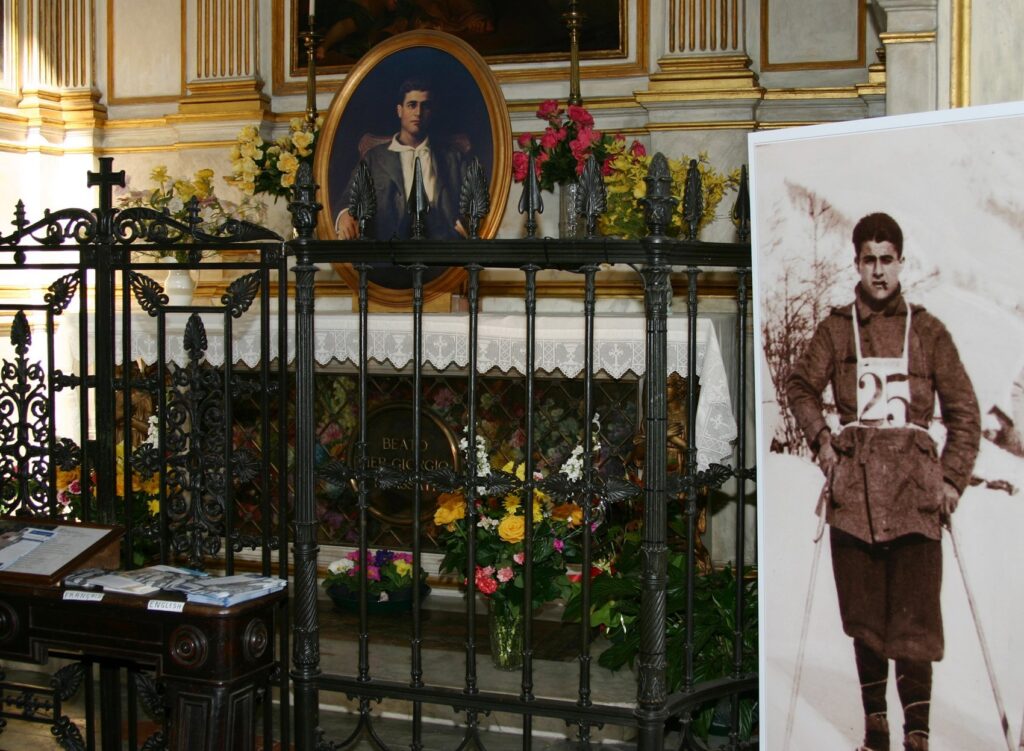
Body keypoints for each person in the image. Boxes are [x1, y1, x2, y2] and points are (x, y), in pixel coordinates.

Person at [786, 212, 981, 751]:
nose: (877, 270)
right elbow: (800, 384)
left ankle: (917, 735)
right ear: (857, 263)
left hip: (918, 498)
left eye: (886, 259)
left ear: (900, 262)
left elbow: (965, 413)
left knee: (915, 623)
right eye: (868, 259)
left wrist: (952, 482)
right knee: (866, 620)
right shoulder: (834, 328)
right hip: (855, 495)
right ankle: (876, 730)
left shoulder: (929, 330)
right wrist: (822, 440)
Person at [335, 77, 468, 241]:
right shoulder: (374, 158)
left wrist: (467, 222)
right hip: (389, 251)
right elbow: (349, 198)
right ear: (400, 110)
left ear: (431, 112)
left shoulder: (452, 158)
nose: (418, 113)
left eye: (425, 106)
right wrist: (345, 216)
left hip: (444, 250)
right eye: (412, 105)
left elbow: (473, 203)